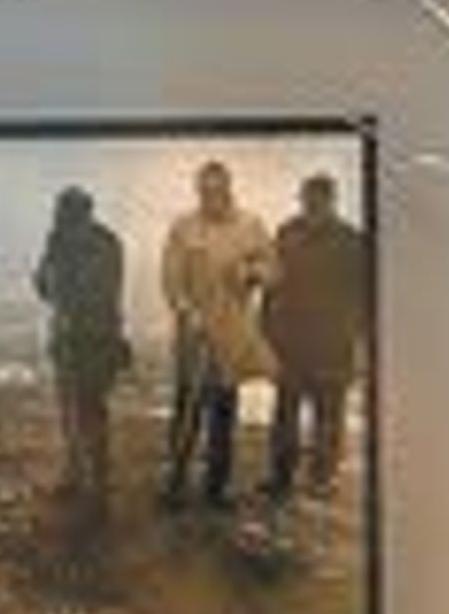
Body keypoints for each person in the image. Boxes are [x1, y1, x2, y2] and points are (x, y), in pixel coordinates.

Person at [157, 161, 275, 509]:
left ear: (229, 189)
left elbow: (273, 269)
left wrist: (251, 272)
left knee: (224, 412)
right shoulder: (183, 227)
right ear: (198, 192)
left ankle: (216, 489)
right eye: (205, 191)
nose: (212, 197)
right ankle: (176, 482)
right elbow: (170, 278)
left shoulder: (250, 225)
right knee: (186, 408)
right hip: (193, 334)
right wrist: (187, 313)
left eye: (218, 190)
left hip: (232, 331)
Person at [259, 171, 367, 497]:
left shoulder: (353, 241)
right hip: (290, 343)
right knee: (285, 415)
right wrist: (265, 330)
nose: (310, 205)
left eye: (318, 200)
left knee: (329, 417)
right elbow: (273, 286)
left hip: (332, 346)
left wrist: (357, 341)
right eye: (306, 199)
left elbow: (363, 296)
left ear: (331, 201)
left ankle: (322, 478)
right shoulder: (286, 233)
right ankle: (281, 477)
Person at [33, 184, 131, 505]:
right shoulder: (58, 241)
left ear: (83, 213)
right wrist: (47, 285)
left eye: (66, 213)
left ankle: (99, 477)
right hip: (68, 338)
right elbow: (44, 283)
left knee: (90, 408)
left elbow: (103, 292)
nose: (61, 219)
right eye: (61, 214)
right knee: (68, 407)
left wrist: (60, 294)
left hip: (95, 339)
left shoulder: (104, 244)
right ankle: (76, 471)